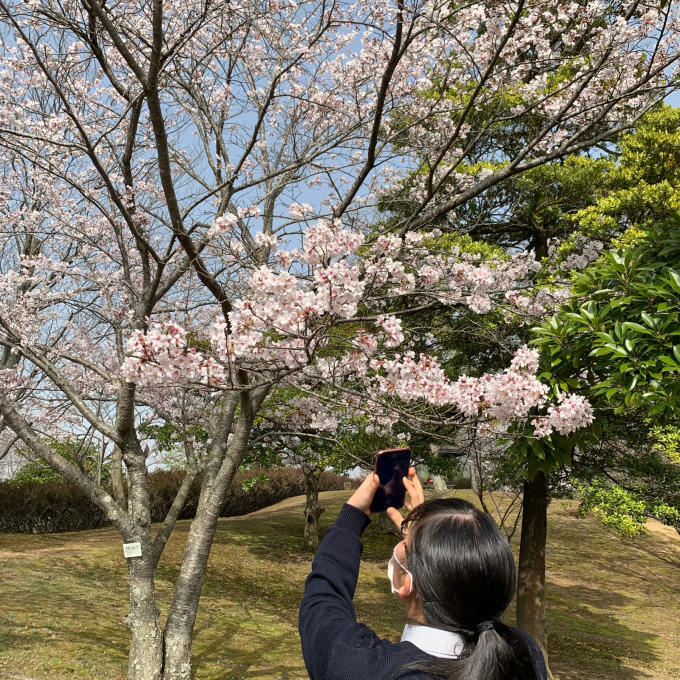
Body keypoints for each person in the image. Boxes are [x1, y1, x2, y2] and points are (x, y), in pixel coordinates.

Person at [298, 468, 547, 680]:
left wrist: (353, 514)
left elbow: (323, 604)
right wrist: (430, 531)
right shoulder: (524, 655)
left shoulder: (368, 668)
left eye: (405, 545)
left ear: (406, 582)